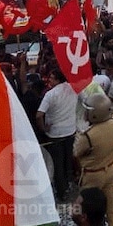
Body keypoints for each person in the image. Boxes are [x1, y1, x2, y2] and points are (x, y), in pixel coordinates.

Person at [75, 93, 113, 226]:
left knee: (88, 215)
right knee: (112, 212)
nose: (86, 113)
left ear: (95, 113)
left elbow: (76, 153)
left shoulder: (88, 135)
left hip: (92, 175)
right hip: (109, 170)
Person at [37, 69, 77, 201]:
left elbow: (39, 115)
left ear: (58, 79)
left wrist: (43, 129)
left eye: (52, 78)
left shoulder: (50, 94)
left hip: (55, 134)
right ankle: (68, 184)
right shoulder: (73, 88)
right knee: (67, 160)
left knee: (58, 164)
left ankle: (62, 191)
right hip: (70, 131)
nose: (49, 81)